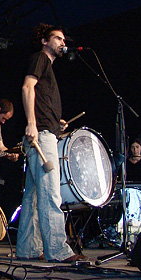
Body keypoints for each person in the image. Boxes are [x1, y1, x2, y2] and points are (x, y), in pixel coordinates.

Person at [15, 23, 86, 263]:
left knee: (33, 196)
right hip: (41, 137)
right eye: (57, 38)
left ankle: (28, 249)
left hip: (47, 132)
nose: (62, 43)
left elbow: (39, 97)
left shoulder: (49, 68)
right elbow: (27, 88)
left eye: (63, 40)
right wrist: (32, 124)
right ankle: (57, 250)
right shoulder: (40, 58)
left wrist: (57, 123)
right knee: (50, 194)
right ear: (45, 41)